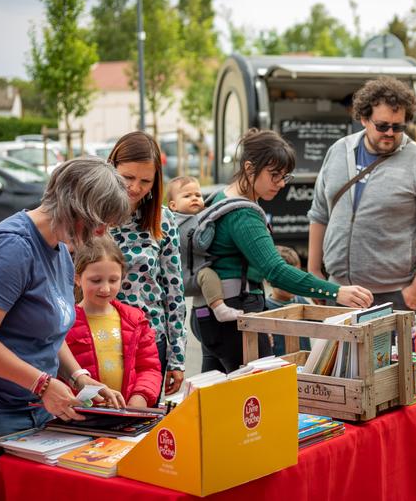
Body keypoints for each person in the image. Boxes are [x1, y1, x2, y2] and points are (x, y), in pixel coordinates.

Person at [0, 157, 130, 500]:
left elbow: (50, 332)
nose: (102, 235)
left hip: (21, 403)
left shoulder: (60, 250)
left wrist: (79, 377)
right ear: (75, 206)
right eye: (100, 223)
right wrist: (41, 384)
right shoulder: (12, 248)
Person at [195, 129, 373, 373]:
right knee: (260, 397)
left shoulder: (220, 198)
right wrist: (336, 292)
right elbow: (276, 271)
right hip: (236, 315)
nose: (280, 183)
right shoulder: (244, 214)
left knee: (217, 400)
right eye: (274, 175)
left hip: (209, 313)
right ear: (249, 168)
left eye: (285, 177)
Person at [308, 76, 416, 310]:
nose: (390, 133)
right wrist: (314, 271)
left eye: (398, 127)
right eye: (382, 125)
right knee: (334, 349)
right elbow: (319, 213)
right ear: (364, 118)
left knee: (390, 349)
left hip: (393, 295)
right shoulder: (338, 151)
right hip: (338, 291)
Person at [108, 132, 187, 398]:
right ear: (112, 168)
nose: (135, 187)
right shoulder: (92, 214)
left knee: (142, 427)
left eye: (145, 181)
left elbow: (174, 292)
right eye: (128, 177)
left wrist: (177, 357)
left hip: (150, 341)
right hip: (102, 337)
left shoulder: (162, 220)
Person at [67, 236, 162, 408]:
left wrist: (140, 396)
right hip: (80, 416)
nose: (105, 288)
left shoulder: (136, 320)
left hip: (126, 413)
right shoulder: (65, 322)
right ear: (77, 278)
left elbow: (149, 368)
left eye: (113, 280)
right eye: (96, 281)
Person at [167, 175, 243, 323]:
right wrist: (211, 222)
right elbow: (201, 244)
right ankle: (220, 309)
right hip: (191, 276)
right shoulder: (188, 222)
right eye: (187, 196)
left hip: (180, 275)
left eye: (198, 195)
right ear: (173, 205)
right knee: (209, 275)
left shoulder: (173, 221)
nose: (194, 198)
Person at [266, 245, 312, 356]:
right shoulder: (265, 308)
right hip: (280, 366)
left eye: (296, 277)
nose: (292, 283)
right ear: (269, 279)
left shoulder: (301, 301)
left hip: (304, 364)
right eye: (286, 279)